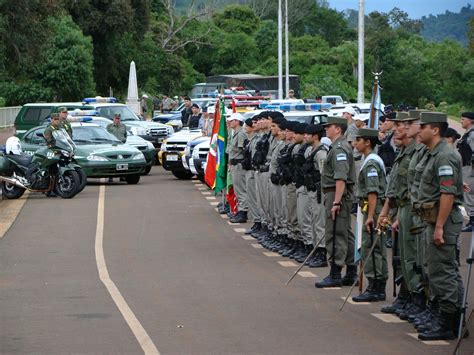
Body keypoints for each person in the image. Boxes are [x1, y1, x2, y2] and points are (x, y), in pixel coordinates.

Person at [413, 112, 464, 341]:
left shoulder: (445, 156)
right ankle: (452, 321)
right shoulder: (434, 154)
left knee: (443, 272)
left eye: (423, 126)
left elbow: (447, 194)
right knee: (439, 271)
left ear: (434, 130)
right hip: (431, 218)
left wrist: (440, 226)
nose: (419, 129)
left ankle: (449, 323)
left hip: (442, 220)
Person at [316, 116, 357, 288]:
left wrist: (336, 202)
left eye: (329, 126)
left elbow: (341, 178)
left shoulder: (339, 148)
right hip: (336, 194)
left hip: (337, 194)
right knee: (345, 234)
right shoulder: (338, 147)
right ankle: (351, 271)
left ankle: (335, 272)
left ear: (338, 129)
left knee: (336, 233)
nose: (326, 129)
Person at [351, 128, 388, 302]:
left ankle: (376, 286)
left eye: (358, 140)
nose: (355, 143)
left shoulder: (371, 162)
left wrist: (371, 216)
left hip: (373, 209)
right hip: (370, 208)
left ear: (367, 142)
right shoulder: (368, 160)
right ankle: (376, 284)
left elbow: (373, 192)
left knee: (372, 247)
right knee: (373, 246)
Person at [303, 123, 329, 267]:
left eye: (308, 134)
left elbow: (324, 174)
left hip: (319, 192)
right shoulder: (310, 150)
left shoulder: (320, 152)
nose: (305, 136)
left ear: (315, 136)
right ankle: (315, 250)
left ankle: (322, 253)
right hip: (311, 190)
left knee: (319, 223)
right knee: (313, 222)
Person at [227, 112, 248, 223]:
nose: (229, 122)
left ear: (237, 121)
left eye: (231, 120)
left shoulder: (241, 134)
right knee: (238, 189)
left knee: (241, 190)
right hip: (235, 164)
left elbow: (243, 150)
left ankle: (243, 212)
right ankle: (240, 210)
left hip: (239, 164)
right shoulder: (235, 133)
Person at [457, 111, 474, 232]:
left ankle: (472, 222)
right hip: (466, 167)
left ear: (470, 120)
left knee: (469, 194)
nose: (461, 121)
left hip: (470, 168)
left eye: (463, 119)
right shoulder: (468, 133)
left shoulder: (472, 134)